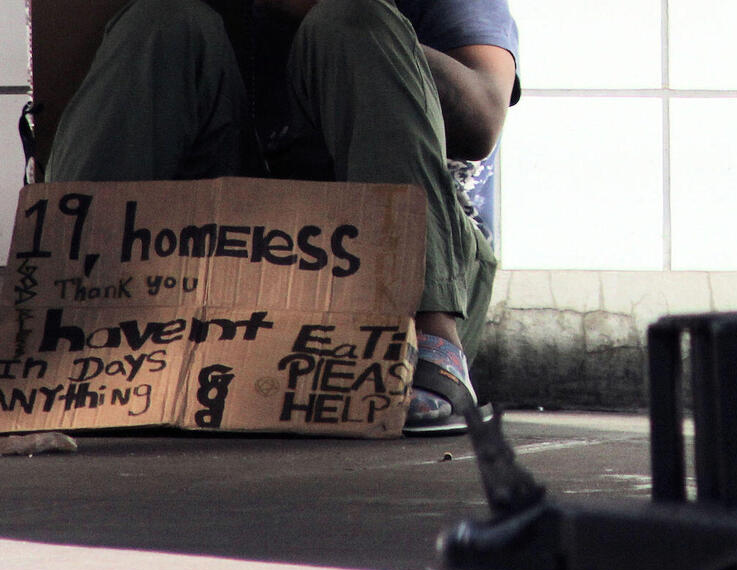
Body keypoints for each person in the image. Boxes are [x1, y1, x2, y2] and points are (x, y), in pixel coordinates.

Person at [45, 0, 520, 435]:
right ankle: (62, 330)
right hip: (210, 276)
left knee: (353, 17)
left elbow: (483, 119)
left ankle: (429, 343)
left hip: (388, 273)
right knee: (163, 21)